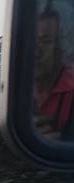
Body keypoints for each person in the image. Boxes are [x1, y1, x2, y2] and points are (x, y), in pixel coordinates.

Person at [34, 2, 74, 140]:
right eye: (30, 42)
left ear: (60, 48)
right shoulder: (16, 88)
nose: (35, 52)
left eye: (45, 41)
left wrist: (59, 145)